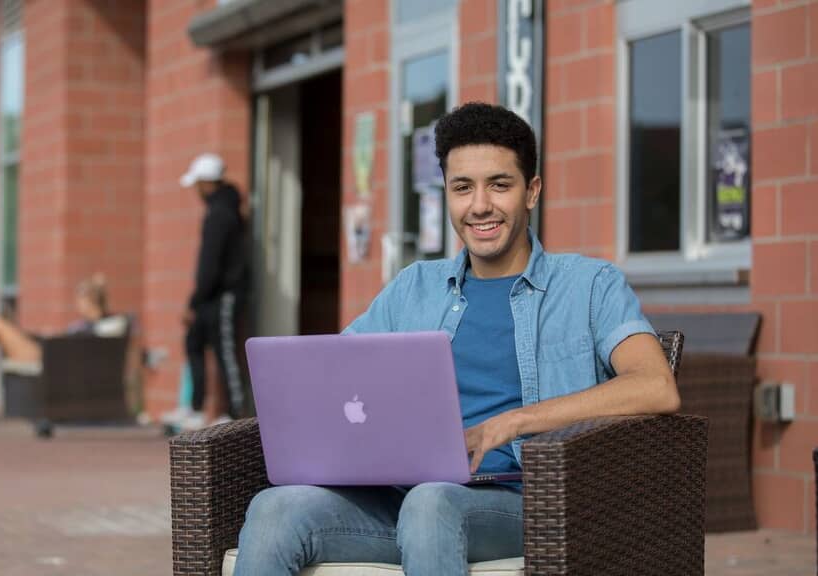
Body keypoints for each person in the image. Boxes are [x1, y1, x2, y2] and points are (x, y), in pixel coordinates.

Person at [232, 103, 681, 575]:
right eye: (462, 187)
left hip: (526, 503)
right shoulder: (414, 287)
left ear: (532, 192)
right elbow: (334, 375)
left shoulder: (590, 284)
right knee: (274, 509)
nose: (480, 205)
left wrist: (513, 422)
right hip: (399, 502)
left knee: (431, 505)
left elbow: (656, 385)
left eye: (499, 185)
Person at [161, 153, 249, 431]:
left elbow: (211, 263)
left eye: (198, 184)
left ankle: (237, 413)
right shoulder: (219, 210)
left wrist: (194, 300)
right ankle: (195, 408)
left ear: (207, 183)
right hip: (208, 295)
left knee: (225, 351)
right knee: (194, 342)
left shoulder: (222, 214)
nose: (196, 191)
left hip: (223, 295)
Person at [0, 274, 119, 378]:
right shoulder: (95, 326)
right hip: (50, 354)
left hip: (48, 359)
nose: (77, 304)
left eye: (80, 299)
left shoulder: (96, 327)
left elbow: (73, 351)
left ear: (88, 301)